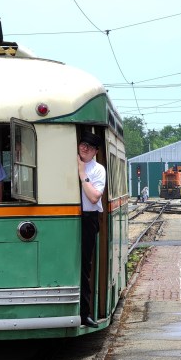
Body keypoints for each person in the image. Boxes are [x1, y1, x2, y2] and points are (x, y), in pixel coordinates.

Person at [77, 132, 107, 328]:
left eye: (89, 146)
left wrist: (82, 174)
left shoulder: (97, 170)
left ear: (96, 151)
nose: (84, 148)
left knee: (84, 265)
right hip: (67, 216)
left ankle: (84, 312)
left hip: (88, 218)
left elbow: (95, 198)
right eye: (82, 144)